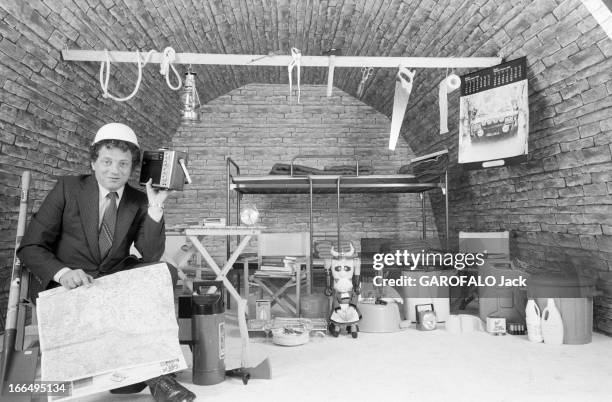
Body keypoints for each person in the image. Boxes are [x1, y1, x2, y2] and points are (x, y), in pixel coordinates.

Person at [17, 122, 195, 402]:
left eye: (123, 164)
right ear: (93, 162)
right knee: (116, 301)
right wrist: (62, 273)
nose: (115, 170)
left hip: (114, 282)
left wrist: (156, 207)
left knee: (164, 271)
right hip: (73, 284)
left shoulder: (138, 200)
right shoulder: (68, 189)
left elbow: (149, 255)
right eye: (107, 161)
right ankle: (155, 378)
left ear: (132, 168)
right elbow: (30, 246)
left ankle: (143, 375)